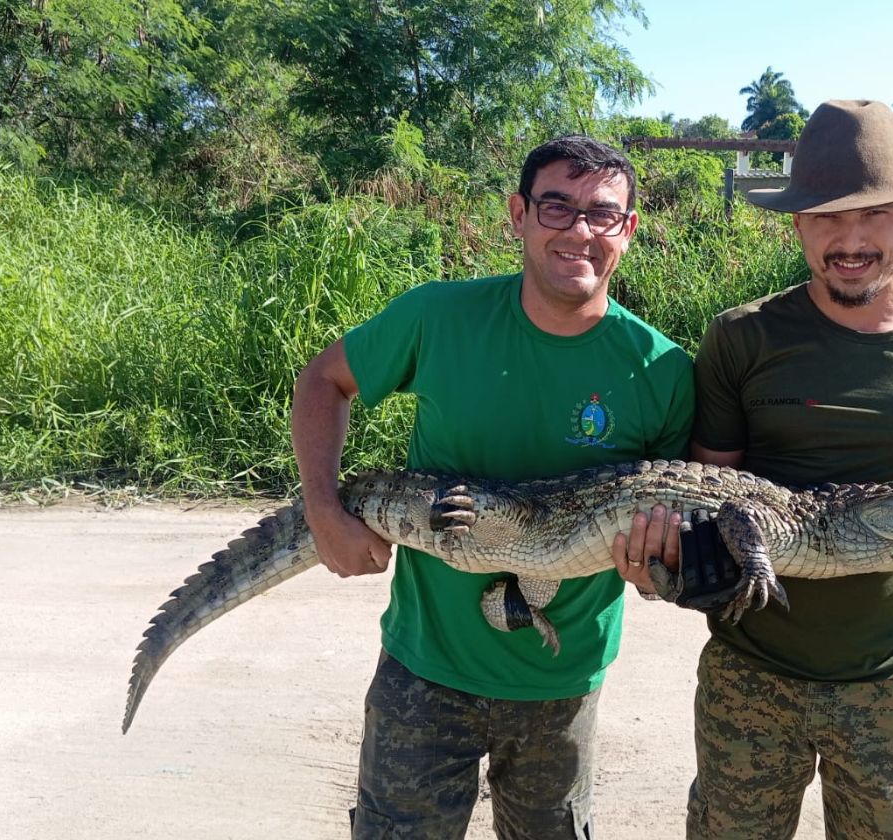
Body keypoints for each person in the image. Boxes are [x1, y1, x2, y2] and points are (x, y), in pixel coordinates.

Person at [618, 99, 893, 839]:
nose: (849, 240)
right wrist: (683, 565)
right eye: (825, 216)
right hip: (752, 673)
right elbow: (706, 489)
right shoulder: (741, 337)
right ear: (797, 223)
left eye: (874, 214)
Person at [291, 135, 695, 839]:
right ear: (518, 214)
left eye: (602, 214)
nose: (578, 231)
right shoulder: (438, 316)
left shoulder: (663, 369)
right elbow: (323, 381)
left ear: (627, 231)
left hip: (561, 682)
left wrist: (658, 566)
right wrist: (323, 509)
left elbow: (668, 537)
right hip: (425, 666)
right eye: (557, 207)